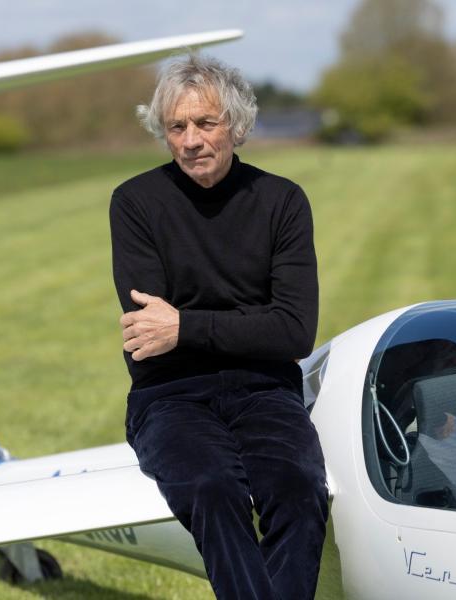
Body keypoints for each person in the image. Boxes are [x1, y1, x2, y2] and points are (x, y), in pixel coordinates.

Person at [109, 54, 329, 600]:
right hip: (169, 396)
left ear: (236, 125)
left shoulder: (282, 202)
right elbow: (148, 341)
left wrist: (184, 325)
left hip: (265, 392)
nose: (190, 141)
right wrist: (250, 325)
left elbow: (295, 332)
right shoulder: (135, 203)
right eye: (176, 127)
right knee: (212, 488)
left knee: (299, 489)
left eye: (205, 124)